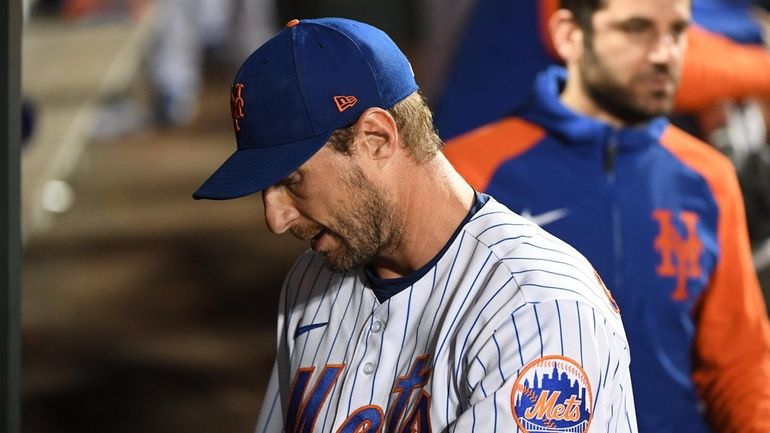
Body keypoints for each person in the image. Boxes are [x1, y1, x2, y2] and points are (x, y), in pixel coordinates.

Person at [194, 17, 638, 433]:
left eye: (291, 181)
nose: (275, 218)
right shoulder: (310, 281)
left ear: (376, 138)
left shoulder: (538, 308)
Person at [444, 0, 770, 432]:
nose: (664, 53)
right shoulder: (469, 173)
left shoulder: (708, 178)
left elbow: (739, 365)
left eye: (677, 32)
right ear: (569, 34)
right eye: (637, 29)